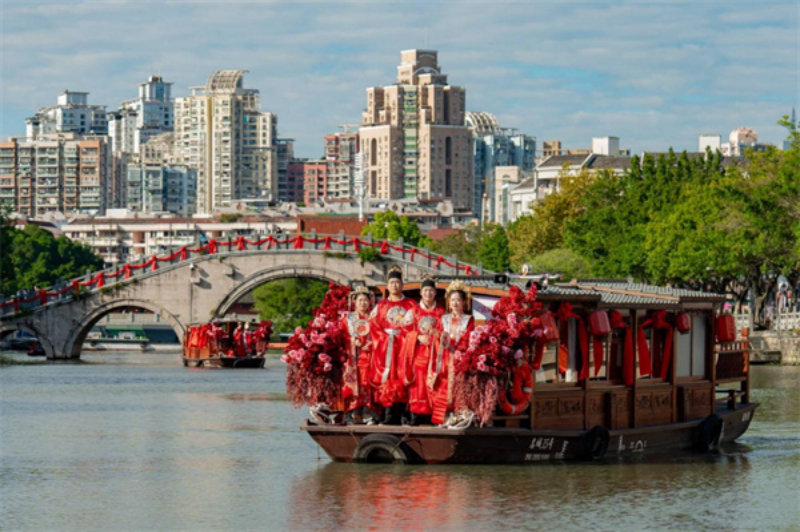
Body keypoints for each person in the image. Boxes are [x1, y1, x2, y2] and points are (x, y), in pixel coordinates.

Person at [369, 266, 415, 424]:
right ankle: (388, 414)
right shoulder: (381, 305)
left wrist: (405, 338)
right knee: (387, 378)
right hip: (386, 346)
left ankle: (403, 414)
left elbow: (416, 325)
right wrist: (385, 338)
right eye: (392, 282)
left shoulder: (411, 304)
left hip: (404, 345)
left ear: (402, 285)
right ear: (387, 286)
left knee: (403, 376)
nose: (394, 285)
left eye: (397, 282)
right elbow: (373, 325)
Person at [430, 280, 475, 426]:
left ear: (463, 302)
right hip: (444, 356)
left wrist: (457, 348)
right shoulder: (443, 319)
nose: (455, 303)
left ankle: (460, 417)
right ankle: (442, 417)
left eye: (458, 300)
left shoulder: (468, 320)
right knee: (443, 386)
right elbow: (438, 335)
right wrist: (440, 337)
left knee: (460, 386)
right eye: (452, 300)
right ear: (449, 302)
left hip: (460, 357)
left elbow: (469, 337)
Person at [403, 276, 444, 426]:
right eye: (425, 290)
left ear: (435, 293)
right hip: (418, 352)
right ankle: (415, 415)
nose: (428, 293)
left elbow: (444, 332)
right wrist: (417, 337)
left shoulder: (441, 312)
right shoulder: (413, 312)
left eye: (431, 290)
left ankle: (433, 416)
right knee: (418, 384)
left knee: (434, 382)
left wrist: (435, 337)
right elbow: (404, 331)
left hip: (435, 353)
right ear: (421, 292)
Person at [341, 286, 378, 424]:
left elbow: (380, 335)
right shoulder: (348, 319)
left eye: (365, 300)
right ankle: (353, 413)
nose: (363, 303)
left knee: (368, 383)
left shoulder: (374, 318)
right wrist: (352, 341)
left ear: (370, 302)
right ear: (355, 302)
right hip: (353, 357)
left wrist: (373, 343)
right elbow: (342, 335)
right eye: (360, 300)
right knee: (353, 384)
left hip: (370, 356)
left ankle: (368, 413)